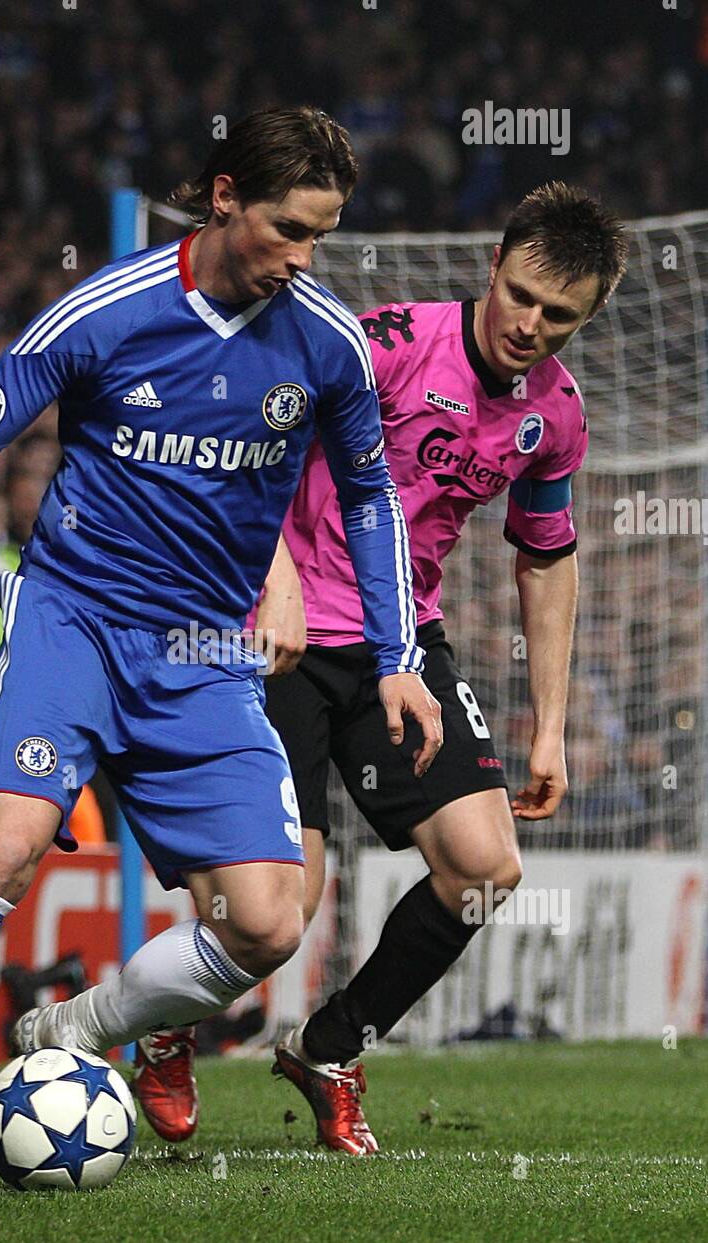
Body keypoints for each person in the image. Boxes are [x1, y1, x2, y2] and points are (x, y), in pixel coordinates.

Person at [0, 107, 442, 1186]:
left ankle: (73, 1027)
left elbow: (371, 495)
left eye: (321, 237)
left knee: (265, 922)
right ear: (222, 198)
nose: (301, 258)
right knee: (4, 850)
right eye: (287, 229)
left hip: (206, 654)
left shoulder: (326, 342)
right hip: (73, 622)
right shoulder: (104, 312)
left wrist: (396, 654)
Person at [132, 181, 628, 1152]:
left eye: (557, 315)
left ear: (588, 316)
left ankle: (327, 1047)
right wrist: (265, 574)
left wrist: (552, 724)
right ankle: (160, 1022)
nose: (529, 325)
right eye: (520, 295)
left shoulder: (554, 417)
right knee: (287, 900)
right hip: (272, 624)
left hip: (398, 641)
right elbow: (243, 443)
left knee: (483, 868)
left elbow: (545, 555)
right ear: (493, 264)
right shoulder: (387, 343)